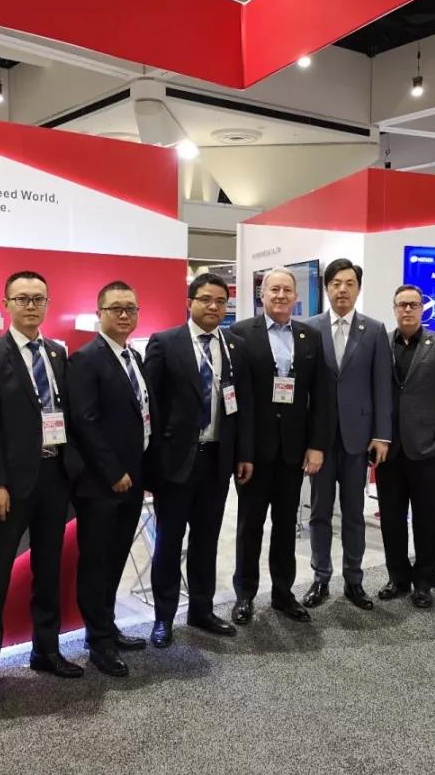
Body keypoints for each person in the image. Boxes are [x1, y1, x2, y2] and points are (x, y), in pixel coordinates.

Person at [0, 271, 84, 707]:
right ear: (7, 304)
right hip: (11, 486)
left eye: (38, 298)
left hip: (55, 477)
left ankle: (46, 650)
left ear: (48, 304)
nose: (31, 305)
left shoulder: (57, 352)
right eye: (22, 299)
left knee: (49, 568)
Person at [143, 273, 254, 647]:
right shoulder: (165, 343)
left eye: (221, 301)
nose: (213, 306)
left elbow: (242, 406)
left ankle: (202, 610)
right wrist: (153, 463)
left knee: (207, 540)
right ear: (189, 302)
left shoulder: (235, 346)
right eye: (206, 299)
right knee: (168, 543)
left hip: (217, 461)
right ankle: (163, 617)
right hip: (175, 463)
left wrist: (244, 454)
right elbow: (152, 408)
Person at [230, 267, 332, 624]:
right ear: (262, 295)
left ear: (295, 296)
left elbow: (321, 396)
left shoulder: (309, 336)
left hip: (293, 450)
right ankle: (245, 595)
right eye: (274, 289)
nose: (280, 295)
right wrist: (241, 451)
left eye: (287, 290)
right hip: (254, 454)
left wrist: (317, 445)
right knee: (250, 526)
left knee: (286, 526)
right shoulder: (241, 333)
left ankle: (282, 594)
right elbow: (236, 397)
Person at [67, 281, 155, 677]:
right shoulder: (86, 359)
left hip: (132, 478)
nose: (124, 314)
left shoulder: (132, 356)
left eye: (130, 308)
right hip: (102, 483)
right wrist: (113, 472)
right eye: (115, 308)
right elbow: (84, 422)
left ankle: (107, 626)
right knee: (97, 562)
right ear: (99, 313)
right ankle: (98, 641)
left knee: (117, 557)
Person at [302, 258, 392, 611]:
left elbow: (382, 385)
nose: (342, 289)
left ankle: (354, 580)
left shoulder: (374, 330)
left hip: (358, 439)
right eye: (336, 283)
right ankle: (320, 578)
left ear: (358, 288)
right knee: (319, 513)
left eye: (349, 283)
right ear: (326, 287)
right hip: (320, 442)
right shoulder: (309, 328)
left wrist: (381, 435)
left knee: (354, 513)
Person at [376, 284, 435, 609]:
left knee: (427, 519)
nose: (407, 310)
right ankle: (397, 577)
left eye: (413, 304)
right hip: (388, 449)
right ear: (394, 308)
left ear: (422, 308)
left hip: (428, 447)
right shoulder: (381, 343)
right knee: (391, 518)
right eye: (402, 305)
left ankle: (423, 581)